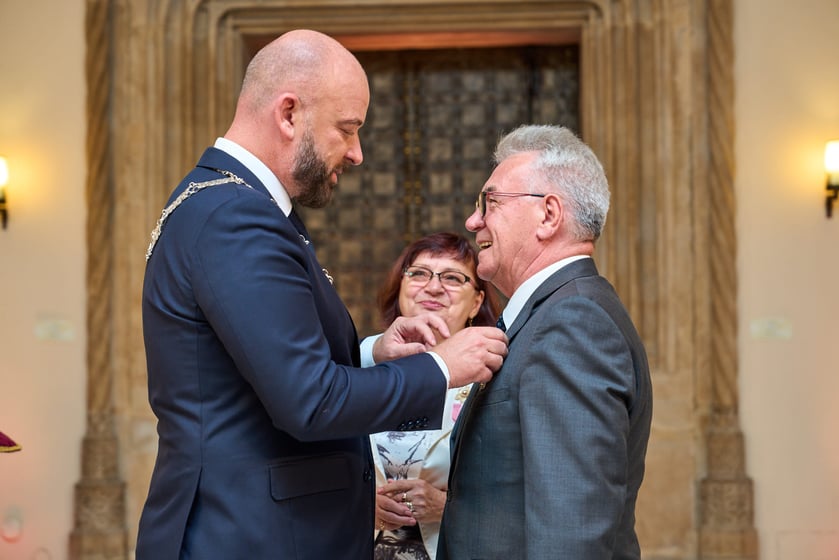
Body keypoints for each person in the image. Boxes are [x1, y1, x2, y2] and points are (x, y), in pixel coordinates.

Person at [136, 30, 507, 560]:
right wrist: (442, 368)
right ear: (289, 114)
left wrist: (371, 353)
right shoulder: (236, 218)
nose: (357, 153)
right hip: (250, 534)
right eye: (347, 129)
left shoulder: (226, 204)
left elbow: (258, 364)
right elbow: (309, 402)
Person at [437, 124, 653, 560]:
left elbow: (572, 531)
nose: (472, 221)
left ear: (549, 215)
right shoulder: (550, 315)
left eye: (490, 202)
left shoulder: (573, 323)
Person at [360, 232, 499, 559]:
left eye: (452, 277)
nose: (433, 287)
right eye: (419, 274)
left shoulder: (496, 376)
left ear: (477, 302)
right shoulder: (360, 367)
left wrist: (449, 505)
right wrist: (359, 499)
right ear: (400, 287)